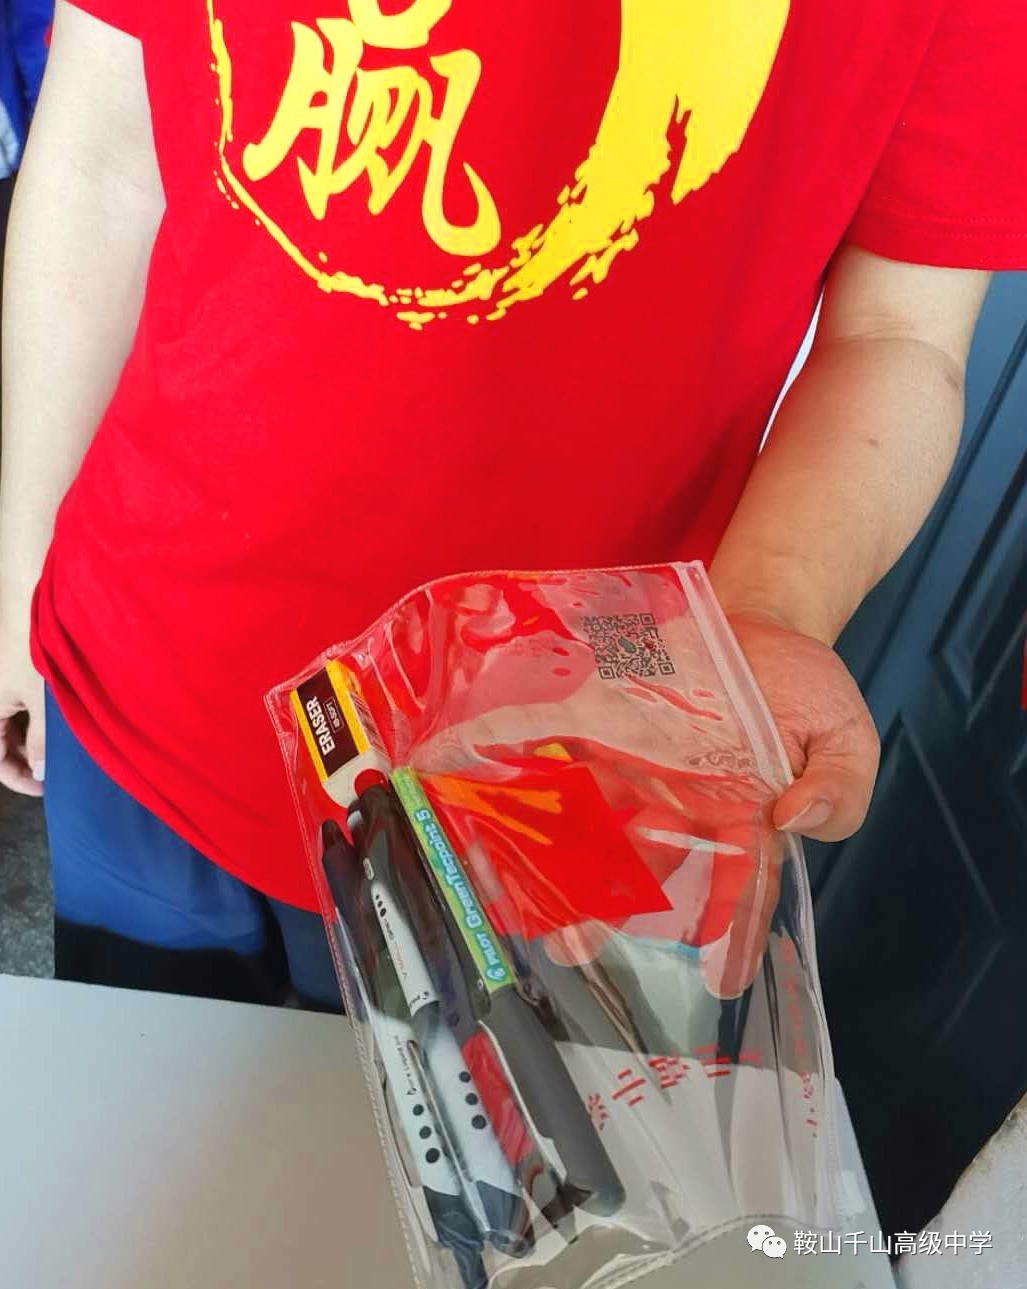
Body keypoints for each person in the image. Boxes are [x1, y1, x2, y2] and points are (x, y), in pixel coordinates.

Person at [1, 0, 1025, 1009]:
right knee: (135, 1088)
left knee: (420, 1119)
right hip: (134, 665)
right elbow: (102, 162)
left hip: (552, 759)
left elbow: (897, 334)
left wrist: (765, 617)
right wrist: (19, 576)